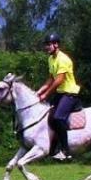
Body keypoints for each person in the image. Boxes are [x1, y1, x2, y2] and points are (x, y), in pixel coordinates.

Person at [35, 33, 81, 161]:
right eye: (46, 45)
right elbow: (51, 78)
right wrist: (39, 91)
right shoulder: (51, 59)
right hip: (60, 93)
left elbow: (59, 80)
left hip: (69, 93)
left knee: (58, 117)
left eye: (49, 44)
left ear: (56, 45)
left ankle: (66, 151)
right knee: (47, 116)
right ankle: (53, 149)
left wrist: (46, 94)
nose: (47, 47)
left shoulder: (63, 59)